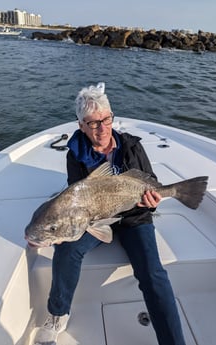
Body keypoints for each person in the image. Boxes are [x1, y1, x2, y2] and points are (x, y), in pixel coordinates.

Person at [33, 82, 186, 345]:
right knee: (66, 250)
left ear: (112, 117)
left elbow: (152, 181)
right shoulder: (76, 154)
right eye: (93, 123)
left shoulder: (132, 147)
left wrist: (152, 201)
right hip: (93, 218)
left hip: (134, 216)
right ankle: (58, 313)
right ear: (81, 125)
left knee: (153, 273)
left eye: (106, 120)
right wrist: (57, 230)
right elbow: (76, 196)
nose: (102, 128)